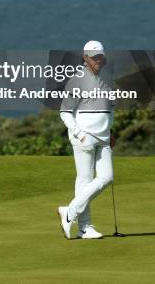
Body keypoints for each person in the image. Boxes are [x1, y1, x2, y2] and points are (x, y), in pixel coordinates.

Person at [58, 40, 115, 240]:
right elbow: (65, 112)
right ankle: (84, 227)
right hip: (84, 137)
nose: (98, 60)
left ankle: (69, 211)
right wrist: (79, 133)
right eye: (94, 57)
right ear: (85, 58)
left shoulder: (107, 79)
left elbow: (110, 109)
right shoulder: (77, 80)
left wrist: (111, 130)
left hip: (104, 137)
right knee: (84, 179)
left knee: (107, 177)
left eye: (100, 56)